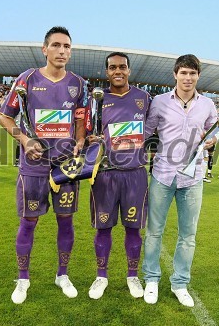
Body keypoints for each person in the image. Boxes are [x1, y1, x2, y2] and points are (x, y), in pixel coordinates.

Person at [0, 26, 87, 304]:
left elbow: (81, 119)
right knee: (29, 221)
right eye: (57, 45)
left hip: (65, 167)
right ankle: (23, 278)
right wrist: (24, 140)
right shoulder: (26, 79)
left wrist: (81, 140)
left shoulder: (79, 84)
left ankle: (62, 274)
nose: (62, 51)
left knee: (66, 220)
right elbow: (5, 117)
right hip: (34, 166)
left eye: (67, 47)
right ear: (45, 49)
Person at [143, 54, 218, 307]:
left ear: (198, 76)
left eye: (192, 73)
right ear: (175, 74)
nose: (188, 78)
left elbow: (213, 131)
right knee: (154, 231)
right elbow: (147, 130)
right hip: (163, 175)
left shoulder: (207, 104)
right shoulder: (160, 102)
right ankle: (151, 279)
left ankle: (180, 283)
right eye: (183, 73)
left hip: (193, 178)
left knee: (188, 235)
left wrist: (211, 141)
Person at [87, 52, 151, 300]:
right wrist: (89, 141)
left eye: (122, 67)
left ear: (129, 70)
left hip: (135, 175)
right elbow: (86, 133)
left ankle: (132, 276)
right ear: (106, 72)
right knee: (103, 228)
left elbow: (157, 129)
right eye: (113, 67)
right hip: (105, 174)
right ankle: (101, 276)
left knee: (133, 229)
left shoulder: (144, 98)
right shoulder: (97, 99)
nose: (118, 71)